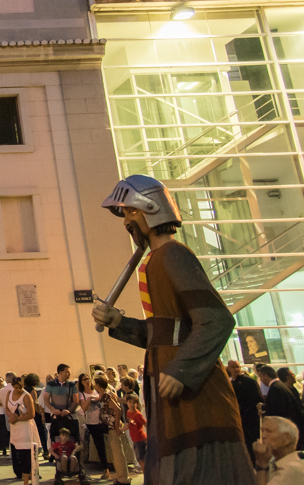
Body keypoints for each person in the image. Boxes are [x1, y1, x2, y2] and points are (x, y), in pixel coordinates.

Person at [93, 174, 254, 484]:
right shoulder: (155, 259)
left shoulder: (173, 254)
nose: (126, 221)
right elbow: (163, 333)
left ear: (150, 209)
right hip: (167, 382)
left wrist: (182, 370)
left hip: (194, 392)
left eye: (130, 211)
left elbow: (217, 320)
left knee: (198, 469)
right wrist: (118, 322)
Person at [94, 375, 130, 485]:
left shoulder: (106, 395)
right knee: (116, 453)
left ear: (98, 385)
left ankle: (123, 478)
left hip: (112, 427)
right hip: (109, 427)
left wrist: (117, 427)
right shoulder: (105, 395)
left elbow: (117, 410)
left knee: (117, 453)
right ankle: (122, 476)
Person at [258, 365, 304, 449]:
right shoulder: (280, 386)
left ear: (266, 376)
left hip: (287, 429)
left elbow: (277, 412)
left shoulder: (275, 388)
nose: (260, 380)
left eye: (260, 376)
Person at [6, 375, 40, 485]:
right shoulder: (9, 393)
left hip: (25, 429)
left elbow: (31, 414)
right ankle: (25, 476)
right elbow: (6, 408)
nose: (18, 390)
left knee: (25, 456)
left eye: (20, 387)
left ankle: (26, 482)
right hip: (15, 429)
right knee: (17, 455)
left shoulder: (26, 396)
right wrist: (11, 415)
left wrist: (17, 418)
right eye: (16, 388)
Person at [252, 416, 304, 485]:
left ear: (286, 439)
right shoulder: (272, 464)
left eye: (268, 431)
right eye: (262, 431)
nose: (263, 436)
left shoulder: (293, 468)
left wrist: (261, 465)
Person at [79, 375, 111, 478]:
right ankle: (105, 469)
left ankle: (111, 465)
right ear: (81, 382)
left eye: (88, 379)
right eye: (84, 379)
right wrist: (90, 399)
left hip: (103, 420)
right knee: (99, 445)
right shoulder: (82, 394)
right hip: (92, 423)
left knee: (109, 443)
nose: (87, 381)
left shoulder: (96, 390)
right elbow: (84, 408)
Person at [227, 359, 263, 448]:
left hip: (250, 417)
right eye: (233, 367)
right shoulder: (231, 383)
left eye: (237, 367)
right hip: (241, 417)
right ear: (228, 369)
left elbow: (257, 398)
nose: (236, 369)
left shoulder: (249, 381)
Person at [45, 364, 80, 447]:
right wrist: (53, 410)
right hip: (56, 417)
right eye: (67, 372)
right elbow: (46, 399)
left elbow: (76, 401)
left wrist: (69, 410)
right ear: (60, 372)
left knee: (71, 440)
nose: (69, 374)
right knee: (57, 440)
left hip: (69, 417)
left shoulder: (72, 385)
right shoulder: (50, 384)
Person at [125, 394, 147, 473]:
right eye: (130, 402)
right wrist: (121, 430)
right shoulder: (128, 412)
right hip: (135, 439)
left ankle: (146, 477)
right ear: (127, 403)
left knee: (142, 460)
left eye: (134, 403)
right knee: (139, 459)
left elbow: (145, 424)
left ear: (137, 404)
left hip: (140, 439)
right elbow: (129, 424)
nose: (132, 404)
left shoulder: (138, 414)